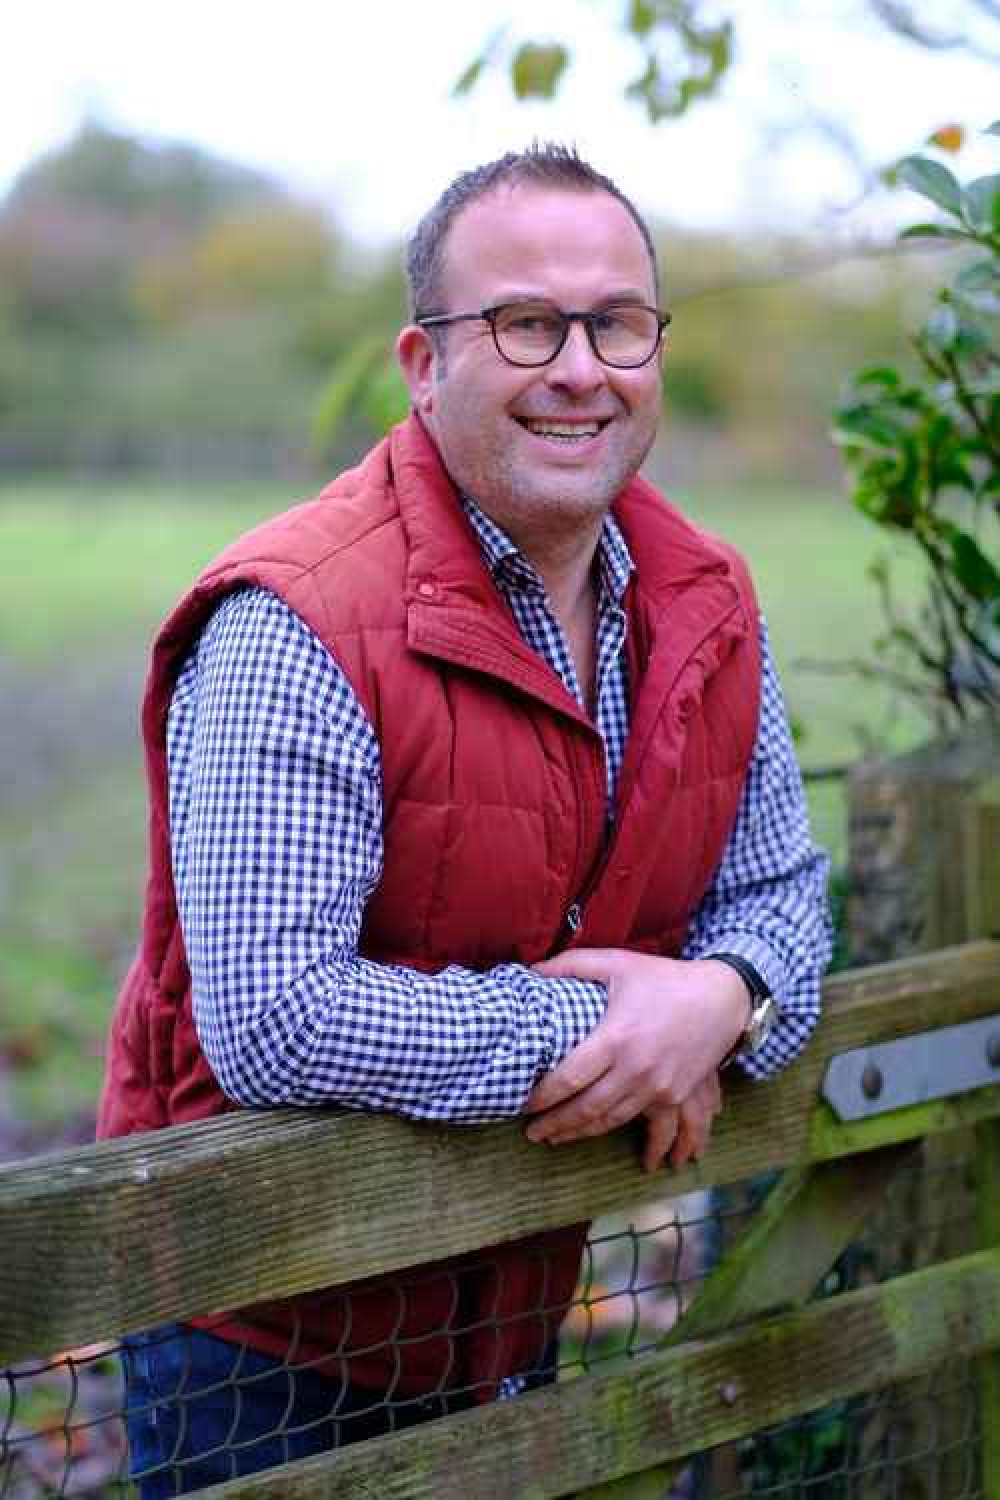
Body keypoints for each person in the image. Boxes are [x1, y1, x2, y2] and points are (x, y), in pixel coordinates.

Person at [100, 143, 832, 1495]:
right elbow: (275, 1020)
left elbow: (781, 895)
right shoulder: (293, 620)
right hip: (266, 1332)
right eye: (524, 323)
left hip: (511, 1299)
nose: (580, 365)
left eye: (616, 321)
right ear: (424, 362)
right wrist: (618, 1030)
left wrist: (718, 998)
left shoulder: (708, 605)